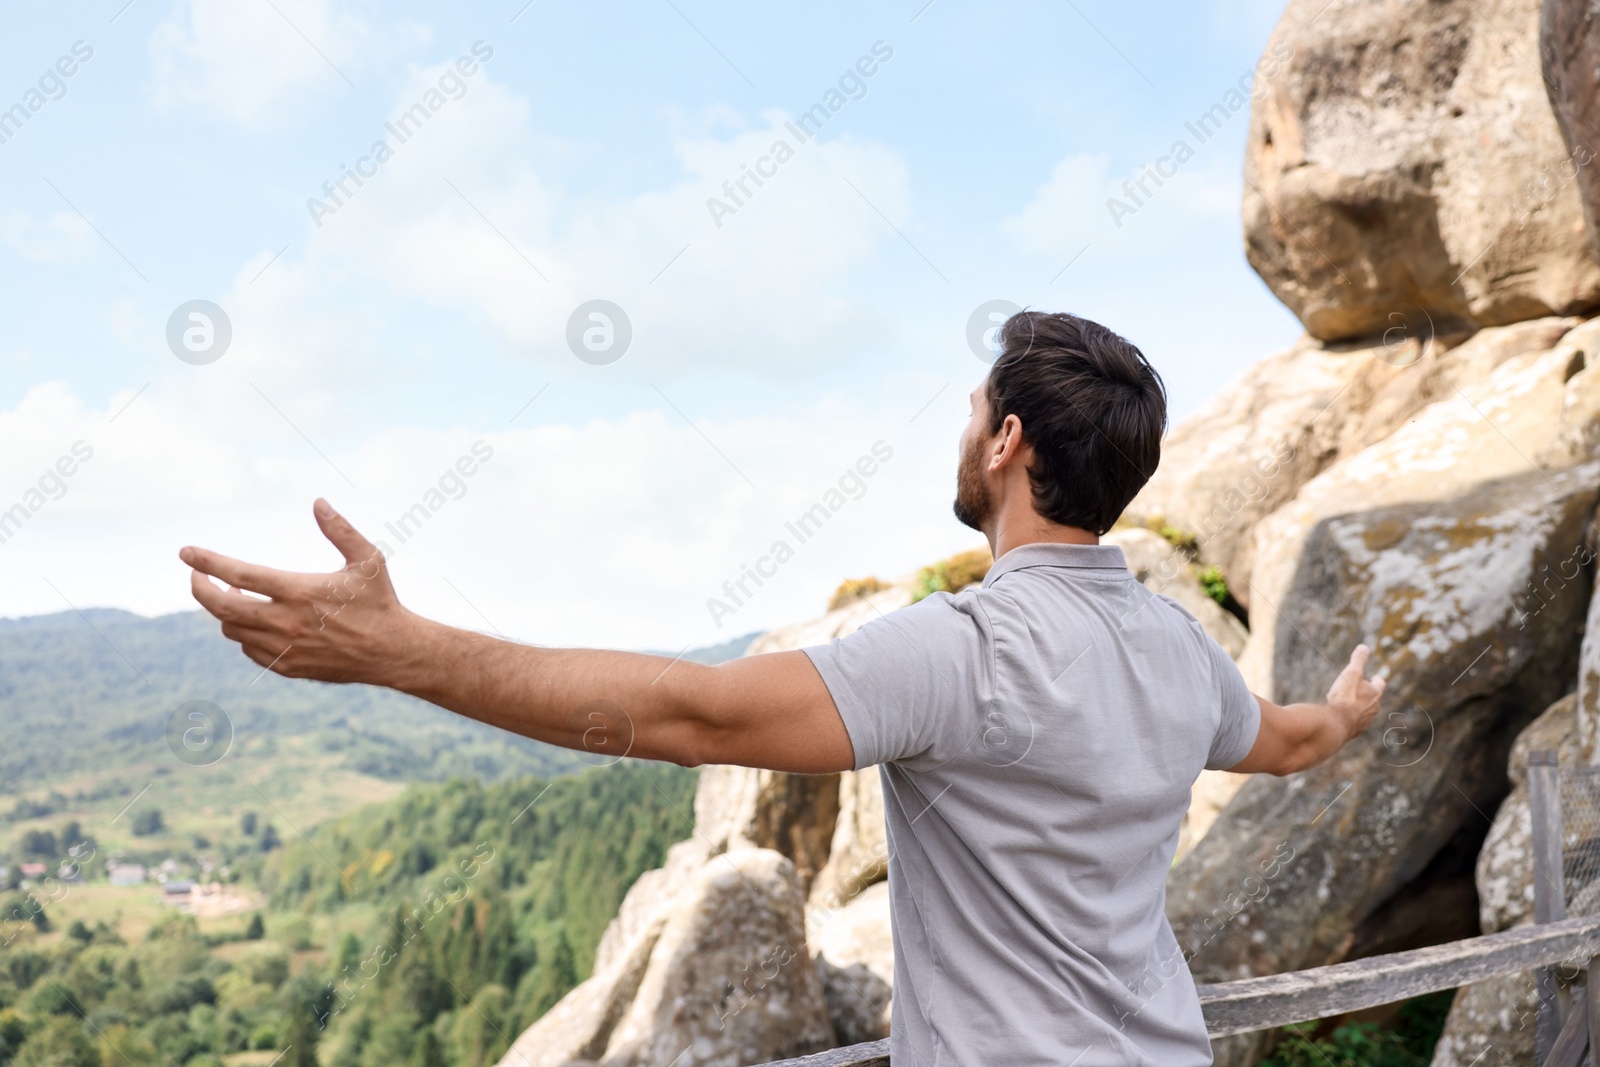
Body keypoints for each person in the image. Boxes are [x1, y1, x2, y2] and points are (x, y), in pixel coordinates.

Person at [181, 310, 1384, 1065]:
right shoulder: (1175, 648)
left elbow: (691, 715)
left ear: (1008, 443)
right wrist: (1352, 708)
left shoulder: (963, 649)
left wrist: (398, 648)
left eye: (971, 411)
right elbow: (1287, 741)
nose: (962, 430)